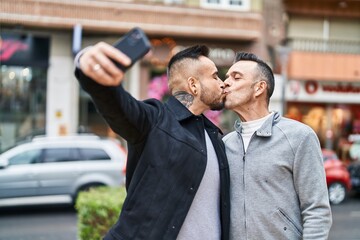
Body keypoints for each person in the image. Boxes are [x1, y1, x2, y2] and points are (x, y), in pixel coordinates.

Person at [74, 43, 230, 240]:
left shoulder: (214, 135)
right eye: (215, 76)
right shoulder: (155, 119)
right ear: (193, 85)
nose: (222, 82)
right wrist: (89, 68)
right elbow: (118, 106)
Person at [222, 52, 332, 240]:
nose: (225, 83)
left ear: (259, 88)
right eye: (226, 77)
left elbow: (317, 210)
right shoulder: (225, 144)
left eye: (236, 77)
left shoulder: (299, 137)